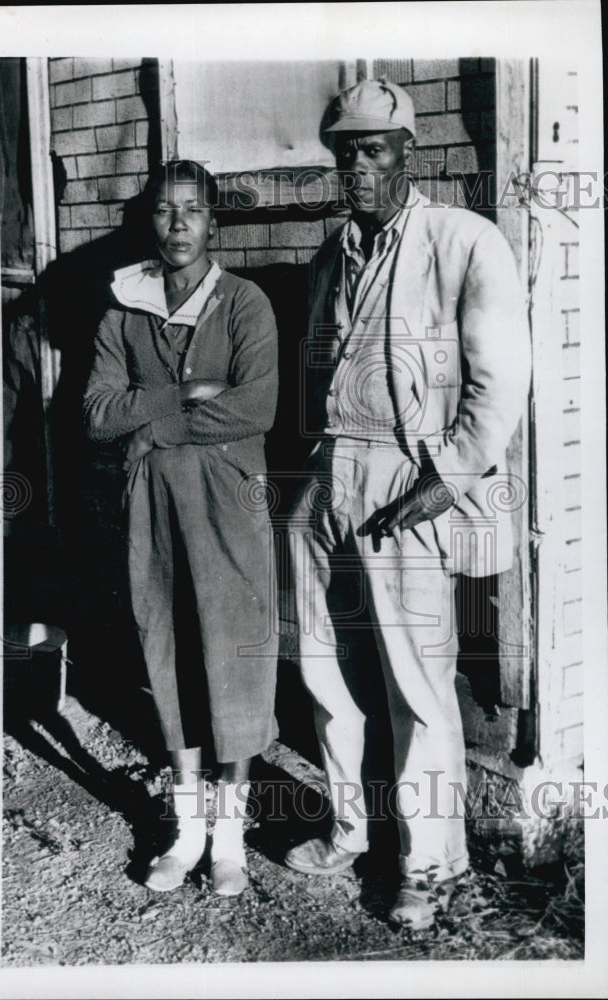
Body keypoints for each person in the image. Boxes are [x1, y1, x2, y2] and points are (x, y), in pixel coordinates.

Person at [285, 79, 531, 929]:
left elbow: (501, 384)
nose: (356, 165)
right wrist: (313, 477)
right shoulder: (330, 256)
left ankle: (433, 864)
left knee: (418, 680)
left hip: (410, 481)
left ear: (406, 152)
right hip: (330, 473)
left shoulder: (465, 241)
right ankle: (353, 828)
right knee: (327, 665)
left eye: (373, 149)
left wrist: (449, 476)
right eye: (344, 151)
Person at [83, 160, 279, 897]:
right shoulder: (121, 312)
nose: (177, 225)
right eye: (164, 212)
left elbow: (255, 408)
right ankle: (186, 830)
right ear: (150, 221)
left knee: (232, 659)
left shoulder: (246, 304)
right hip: (155, 511)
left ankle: (229, 838)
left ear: (213, 222)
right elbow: (98, 415)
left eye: (192, 211)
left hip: (231, 506)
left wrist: (153, 425)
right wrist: (180, 391)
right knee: (167, 653)